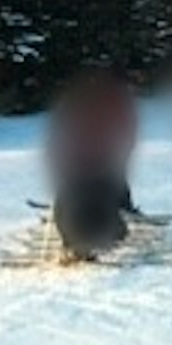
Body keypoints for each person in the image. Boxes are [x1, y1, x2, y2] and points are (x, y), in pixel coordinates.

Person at [44, 73, 142, 259]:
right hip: (80, 165)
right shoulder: (73, 101)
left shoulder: (116, 99)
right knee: (74, 204)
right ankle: (80, 239)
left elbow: (127, 133)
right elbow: (57, 138)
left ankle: (111, 225)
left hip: (100, 163)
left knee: (103, 195)